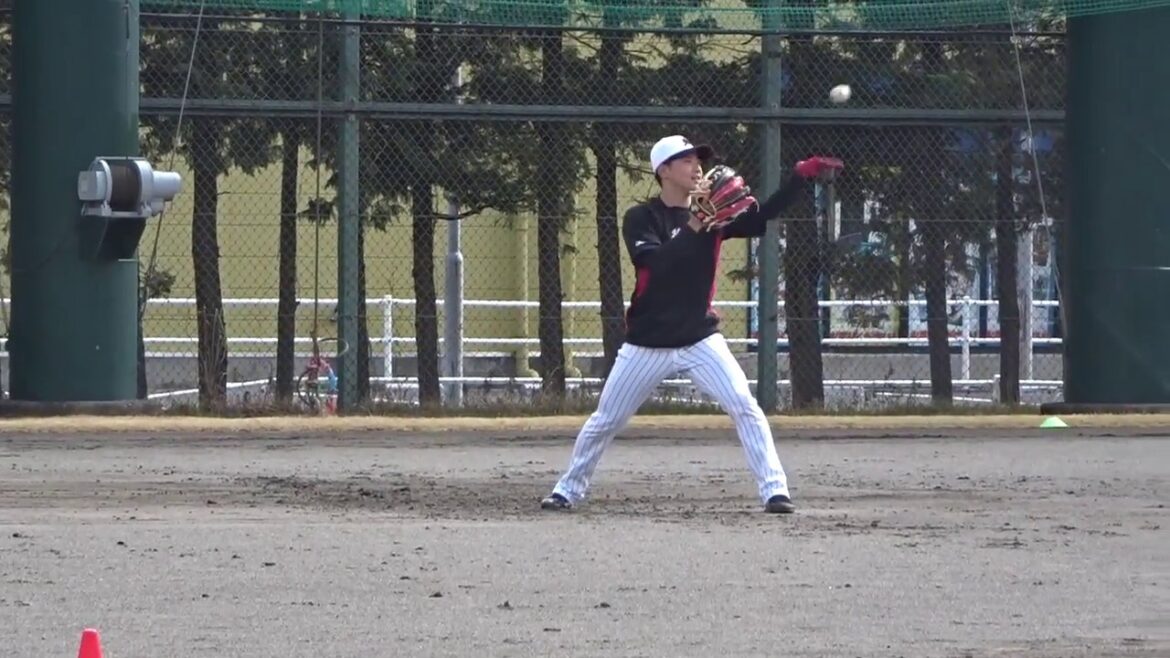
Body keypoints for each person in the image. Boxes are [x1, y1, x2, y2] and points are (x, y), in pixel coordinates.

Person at [539, 134, 844, 514]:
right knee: (606, 420)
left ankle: (775, 491)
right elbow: (658, 265)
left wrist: (800, 178)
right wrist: (698, 222)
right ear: (663, 171)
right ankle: (567, 490)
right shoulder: (642, 218)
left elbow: (762, 216)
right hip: (647, 343)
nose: (697, 167)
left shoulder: (714, 217)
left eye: (699, 160)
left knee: (744, 405)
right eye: (686, 160)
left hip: (700, 339)